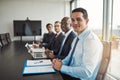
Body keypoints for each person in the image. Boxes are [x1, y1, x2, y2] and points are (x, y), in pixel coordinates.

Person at [52, 7, 103, 80]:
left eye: (78, 19)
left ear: (86, 21)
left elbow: (87, 72)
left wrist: (61, 67)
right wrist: (59, 62)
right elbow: (69, 59)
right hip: (71, 75)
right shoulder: (76, 38)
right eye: (73, 20)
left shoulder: (91, 41)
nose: (75, 23)